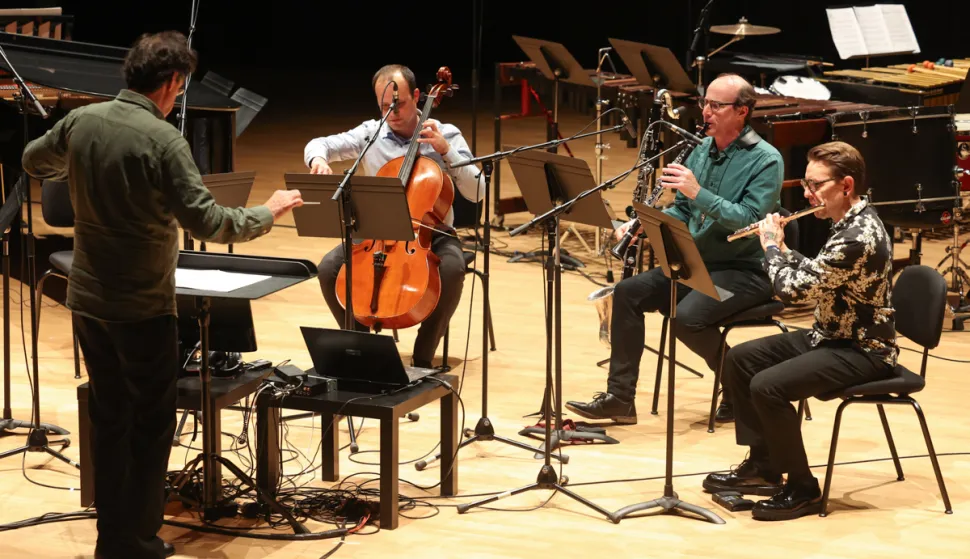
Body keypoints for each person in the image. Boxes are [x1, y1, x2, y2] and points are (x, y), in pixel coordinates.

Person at [21, 31, 302, 558]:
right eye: (182, 85)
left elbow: (34, 160)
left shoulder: (84, 121)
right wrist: (270, 209)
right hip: (142, 305)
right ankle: (137, 538)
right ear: (172, 82)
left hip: (86, 299)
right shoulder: (162, 139)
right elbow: (210, 221)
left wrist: (79, 169)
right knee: (150, 423)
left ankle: (113, 534)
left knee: (109, 416)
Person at [566, 73, 781, 424]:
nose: (706, 112)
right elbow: (682, 208)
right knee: (627, 292)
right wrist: (645, 225)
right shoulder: (701, 150)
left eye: (716, 105)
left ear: (742, 111)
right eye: (704, 103)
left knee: (688, 319)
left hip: (743, 272)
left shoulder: (765, 159)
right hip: (696, 263)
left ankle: (741, 386)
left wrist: (699, 193)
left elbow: (750, 219)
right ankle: (620, 399)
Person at [702, 141, 898, 521]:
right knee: (741, 359)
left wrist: (772, 247)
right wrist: (785, 251)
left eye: (815, 186)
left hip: (862, 349)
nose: (807, 195)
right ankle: (764, 465)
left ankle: (802, 487)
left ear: (845, 185)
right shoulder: (847, 223)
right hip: (830, 335)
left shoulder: (859, 236)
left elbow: (790, 291)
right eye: (805, 184)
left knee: (768, 386)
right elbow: (818, 274)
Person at [304, 64, 484, 368]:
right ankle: (361, 347)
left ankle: (423, 359)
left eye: (397, 105)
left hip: (431, 235)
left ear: (416, 96)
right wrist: (319, 159)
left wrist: (446, 152)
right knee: (328, 269)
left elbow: (478, 190)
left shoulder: (446, 134)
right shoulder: (370, 133)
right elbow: (319, 144)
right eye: (384, 106)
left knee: (452, 270)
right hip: (376, 232)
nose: (392, 113)